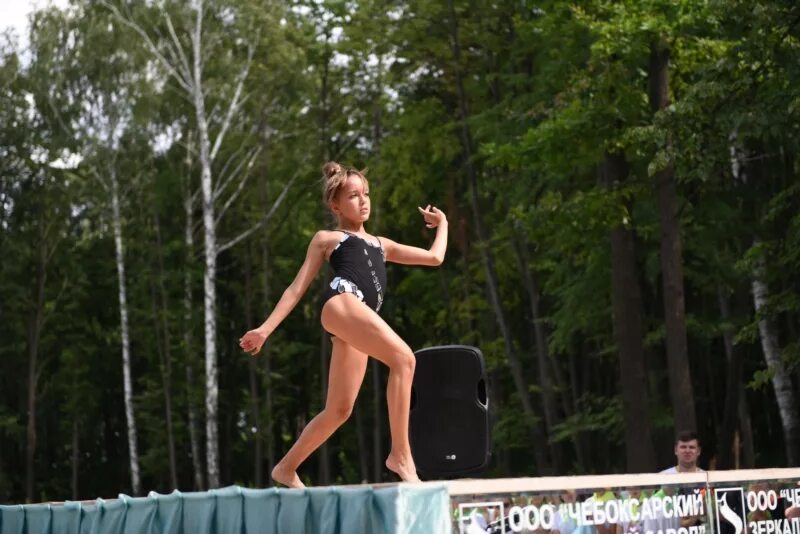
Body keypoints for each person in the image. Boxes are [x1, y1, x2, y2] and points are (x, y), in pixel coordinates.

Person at [238, 161, 448, 488]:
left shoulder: (382, 245)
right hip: (341, 303)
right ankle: (401, 456)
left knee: (338, 411)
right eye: (353, 196)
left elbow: (435, 258)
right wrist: (265, 329)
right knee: (405, 359)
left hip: (355, 322)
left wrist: (443, 223)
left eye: (366, 193)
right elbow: (296, 288)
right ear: (335, 205)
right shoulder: (329, 238)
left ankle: (286, 467)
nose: (363, 201)